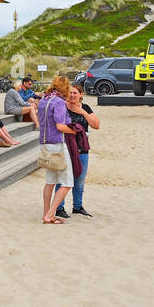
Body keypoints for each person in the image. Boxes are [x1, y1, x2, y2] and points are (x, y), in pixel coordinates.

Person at [52, 84, 99, 219]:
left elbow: (96, 125)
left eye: (75, 93)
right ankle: (59, 208)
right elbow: (58, 126)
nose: (72, 95)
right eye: (70, 93)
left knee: (79, 180)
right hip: (65, 148)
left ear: (80, 94)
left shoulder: (86, 108)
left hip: (82, 148)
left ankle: (77, 207)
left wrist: (82, 112)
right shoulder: (62, 107)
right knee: (62, 180)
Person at [37, 75, 75, 225]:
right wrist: (74, 131)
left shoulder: (44, 100)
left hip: (44, 143)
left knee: (50, 181)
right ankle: (50, 214)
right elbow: (60, 126)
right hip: (56, 144)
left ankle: (46, 213)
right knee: (67, 182)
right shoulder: (58, 102)